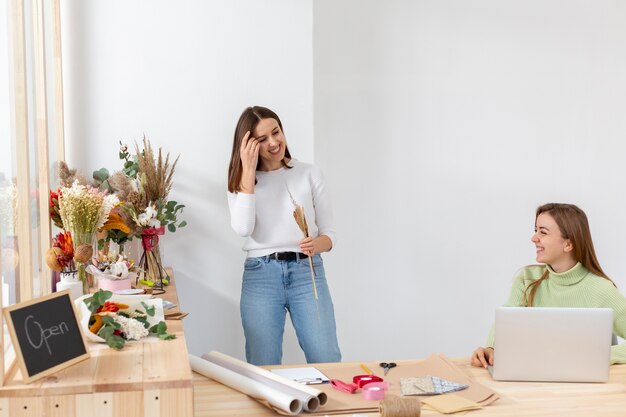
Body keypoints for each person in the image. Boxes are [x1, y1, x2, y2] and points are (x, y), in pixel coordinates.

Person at [227, 106, 342, 366]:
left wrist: (317, 244)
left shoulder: (309, 173)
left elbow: (329, 234)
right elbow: (243, 229)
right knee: (263, 364)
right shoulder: (240, 182)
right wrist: (246, 171)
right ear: (248, 145)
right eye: (262, 139)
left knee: (327, 358)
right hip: (261, 275)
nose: (273, 142)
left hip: (307, 271)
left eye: (276, 132)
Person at [471, 203, 626, 367]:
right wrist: (491, 349)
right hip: (534, 378)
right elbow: (505, 323)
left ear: (568, 244)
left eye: (543, 232)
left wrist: (594, 356)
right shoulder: (527, 279)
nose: (534, 238)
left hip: (583, 387)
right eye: (535, 230)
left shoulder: (601, 290)